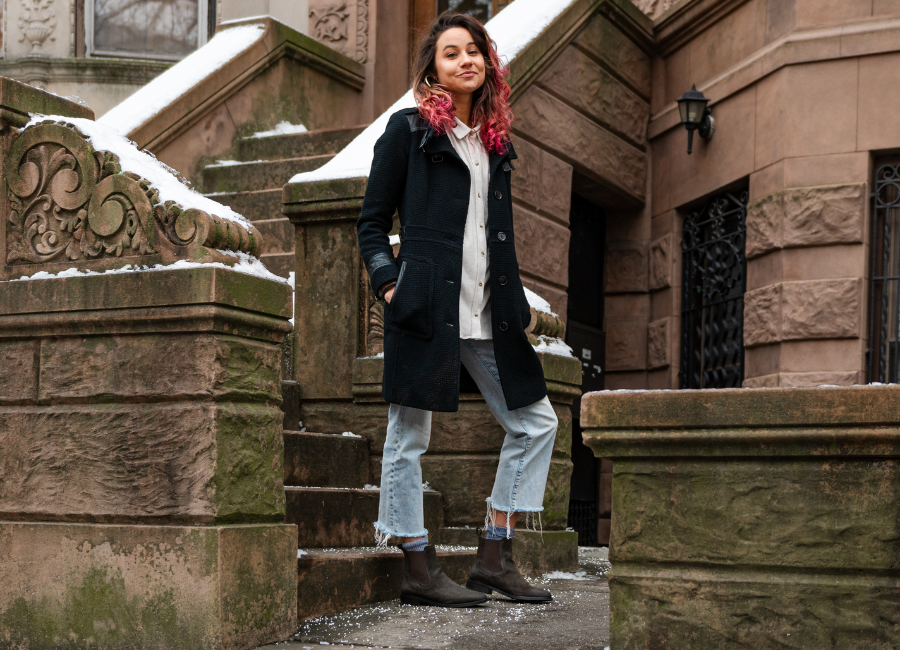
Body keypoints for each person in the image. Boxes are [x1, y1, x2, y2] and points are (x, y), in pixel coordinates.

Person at [356, 10, 558, 608]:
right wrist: (390, 284)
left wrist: (515, 298)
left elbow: (495, 234)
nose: (466, 60)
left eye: (475, 50)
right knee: (407, 437)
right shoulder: (409, 131)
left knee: (537, 421)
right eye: (451, 53)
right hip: (426, 307)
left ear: (487, 64)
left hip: (489, 311)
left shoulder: (496, 144)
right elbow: (371, 223)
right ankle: (418, 565)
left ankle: (494, 554)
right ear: (433, 68)